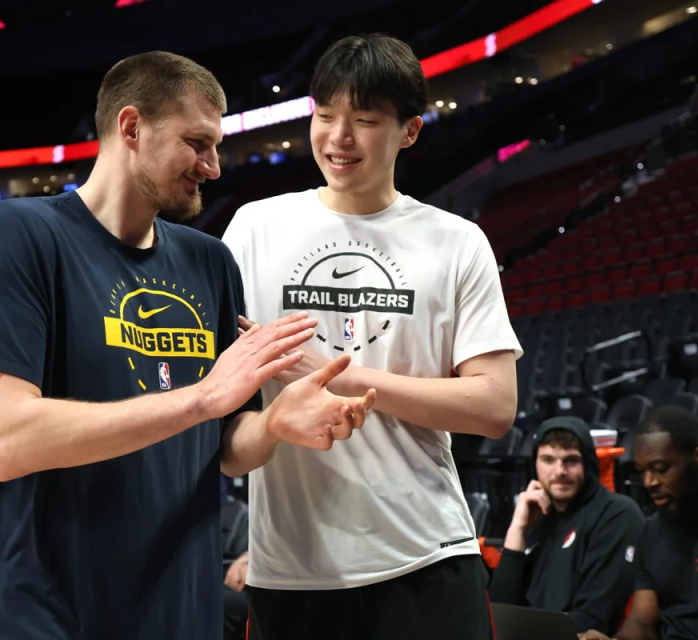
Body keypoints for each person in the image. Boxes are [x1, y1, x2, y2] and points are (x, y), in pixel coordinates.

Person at [0, 51, 376, 640]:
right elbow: (6, 441)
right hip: (45, 614)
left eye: (216, 147)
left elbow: (224, 446)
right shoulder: (17, 234)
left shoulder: (210, 262)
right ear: (131, 127)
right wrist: (202, 398)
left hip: (180, 610)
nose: (212, 167)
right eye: (197, 143)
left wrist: (273, 425)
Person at [221, 34, 521, 640]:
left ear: (409, 131)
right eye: (325, 115)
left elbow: (494, 407)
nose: (338, 138)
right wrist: (276, 420)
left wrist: (337, 375)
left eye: (364, 120)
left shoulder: (457, 242)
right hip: (292, 569)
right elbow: (223, 440)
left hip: (427, 555)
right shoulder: (253, 228)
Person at [578, 407, 698, 640]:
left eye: (660, 469)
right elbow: (642, 623)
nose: (649, 482)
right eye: (641, 471)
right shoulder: (652, 530)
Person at [489, 417, 644, 636]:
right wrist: (517, 529)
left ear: (588, 463)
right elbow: (499, 611)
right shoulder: (537, 516)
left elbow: (594, 619)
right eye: (548, 460)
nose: (560, 471)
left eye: (571, 460)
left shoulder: (617, 514)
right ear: (534, 464)